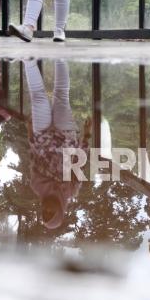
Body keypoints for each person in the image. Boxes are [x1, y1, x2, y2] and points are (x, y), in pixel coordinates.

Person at [24, 59, 88, 229]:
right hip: (66, 137)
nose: (46, 210)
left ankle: (28, 60)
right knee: (61, 94)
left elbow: (33, 157)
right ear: (60, 211)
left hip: (42, 137)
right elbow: (79, 162)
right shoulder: (71, 191)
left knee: (38, 98)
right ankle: (60, 55)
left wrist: (29, 132)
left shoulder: (37, 186)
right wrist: (87, 134)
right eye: (50, 214)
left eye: (43, 214)